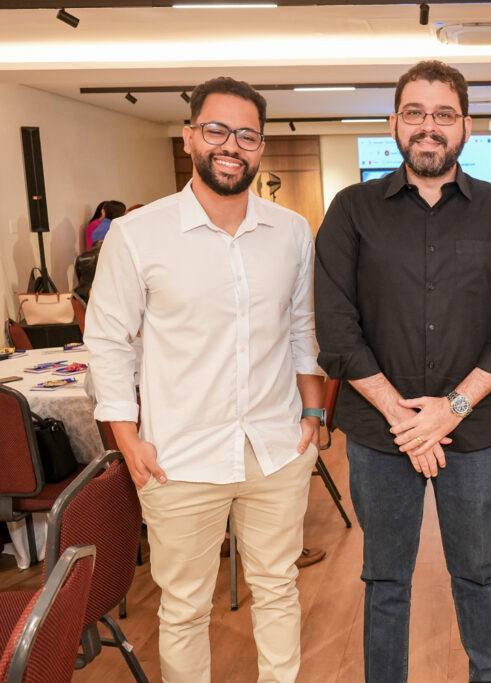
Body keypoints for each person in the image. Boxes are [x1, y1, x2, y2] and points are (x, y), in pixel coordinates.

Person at [85, 76, 322, 683]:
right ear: (190, 136)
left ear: (260, 146)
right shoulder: (137, 235)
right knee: (185, 608)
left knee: (278, 587)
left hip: (276, 448)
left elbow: (303, 329)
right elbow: (108, 342)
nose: (231, 145)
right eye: (216, 130)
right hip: (179, 455)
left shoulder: (291, 231)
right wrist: (127, 439)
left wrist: (314, 414)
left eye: (247, 135)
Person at [314, 60, 491, 683]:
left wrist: (451, 409)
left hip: (476, 429)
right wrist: (404, 417)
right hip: (379, 433)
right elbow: (335, 327)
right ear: (394, 123)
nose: (428, 126)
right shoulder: (352, 210)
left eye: (444, 114)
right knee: (385, 578)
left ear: (466, 125)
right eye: (415, 112)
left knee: (478, 571)